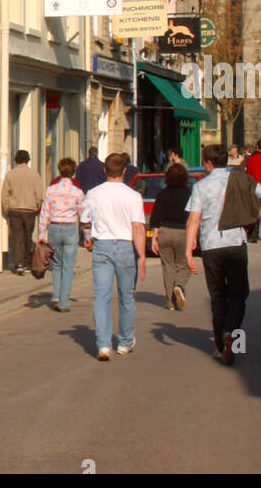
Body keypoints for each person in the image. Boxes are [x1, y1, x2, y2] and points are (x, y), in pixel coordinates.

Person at [186, 143, 261, 365]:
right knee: (239, 294)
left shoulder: (201, 187)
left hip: (210, 246)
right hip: (236, 243)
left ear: (207, 163)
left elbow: (194, 219)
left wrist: (188, 250)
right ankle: (232, 337)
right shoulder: (242, 180)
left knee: (217, 297)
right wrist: (253, 218)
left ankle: (220, 346)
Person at [80, 153, 147, 360]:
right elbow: (137, 227)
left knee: (102, 297)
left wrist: (88, 236)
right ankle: (125, 342)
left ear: (105, 170)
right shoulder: (133, 196)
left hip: (102, 245)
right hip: (125, 246)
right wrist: (142, 256)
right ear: (125, 171)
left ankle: (103, 345)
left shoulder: (93, 193)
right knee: (126, 297)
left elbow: (85, 220)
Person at [37, 158, 85, 311]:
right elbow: (83, 215)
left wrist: (41, 234)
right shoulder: (77, 192)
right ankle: (64, 301)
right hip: (70, 228)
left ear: (59, 170)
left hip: (54, 228)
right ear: (74, 172)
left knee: (56, 265)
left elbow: (45, 213)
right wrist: (88, 236)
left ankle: (56, 296)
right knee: (68, 266)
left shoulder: (51, 190)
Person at [151, 161, 193, 310]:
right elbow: (193, 217)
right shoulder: (189, 193)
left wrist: (154, 238)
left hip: (165, 231)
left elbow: (156, 216)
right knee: (184, 263)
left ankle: (170, 303)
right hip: (183, 231)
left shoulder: (162, 193)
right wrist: (194, 237)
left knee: (168, 267)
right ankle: (180, 286)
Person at [1, 150, 43, 273]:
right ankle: (26, 262)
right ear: (28, 160)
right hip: (29, 209)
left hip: (15, 209)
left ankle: (18, 263)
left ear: (16, 160)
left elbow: (5, 194)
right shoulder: (34, 175)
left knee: (17, 237)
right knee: (27, 236)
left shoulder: (10, 174)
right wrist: (36, 205)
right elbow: (39, 194)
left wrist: (6, 209)